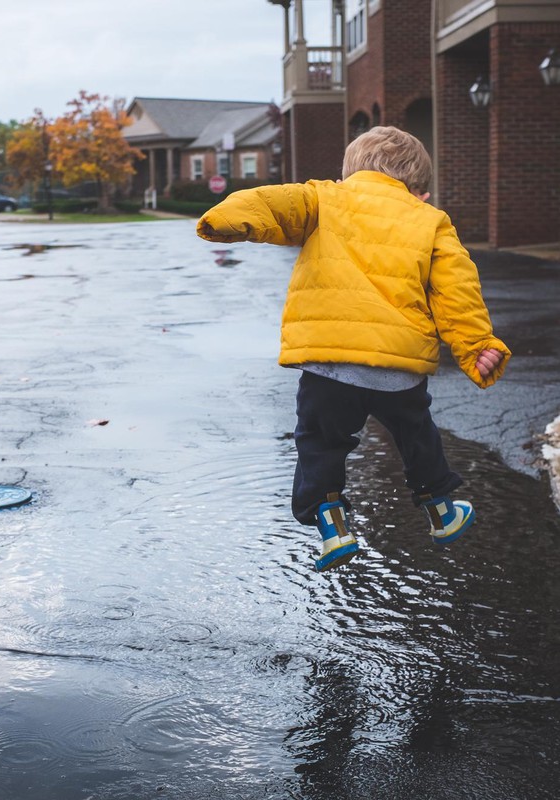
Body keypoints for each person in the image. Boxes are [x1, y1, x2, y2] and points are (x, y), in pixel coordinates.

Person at [196, 126, 510, 573]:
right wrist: (477, 346)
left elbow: (270, 203)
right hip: (397, 367)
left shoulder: (325, 198)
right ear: (418, 188)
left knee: (321, 441)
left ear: (348, 172)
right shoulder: (430, 220)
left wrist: (225, 219)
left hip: (329, 364)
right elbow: (456, 291)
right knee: (416, 433)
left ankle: (332, 523)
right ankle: (441, 509)